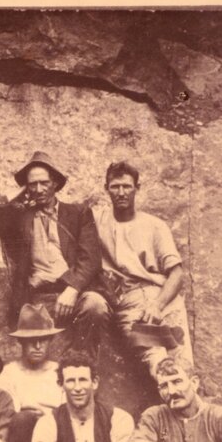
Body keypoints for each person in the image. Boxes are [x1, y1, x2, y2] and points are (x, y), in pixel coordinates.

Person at [0, 152, 105, 352]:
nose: (39, 189)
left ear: (56, 183)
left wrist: (73, 289)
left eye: (44, 183)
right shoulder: (18, 217)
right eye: (32, 184)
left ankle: (85, 364)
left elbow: (91, 258)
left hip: (74, 292)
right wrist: (12, 197)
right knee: (40, 352)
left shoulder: (78, 213)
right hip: (38, 298)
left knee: (96, 306)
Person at [91, 161, 193, 378]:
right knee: (155, 356)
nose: (121, 192)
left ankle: (191, 406)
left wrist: (157, 305)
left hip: (161, 297)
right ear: (106, 188)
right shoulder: (96, 221)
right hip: (128, 298)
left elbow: (176, 274)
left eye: (127, 186)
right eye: (115, 186)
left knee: (182, 361)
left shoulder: (155, 226)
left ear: (138, 188)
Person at [0, 303, 65, 442]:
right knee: (22, 420)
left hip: (55, 434)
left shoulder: (59, 372)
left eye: (43, 340)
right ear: (21, 343)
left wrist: (46, 415)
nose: (37, 346)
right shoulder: (8, 373)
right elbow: (8, 410)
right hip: (22, 436)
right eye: (31, 341)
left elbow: (68, 410)